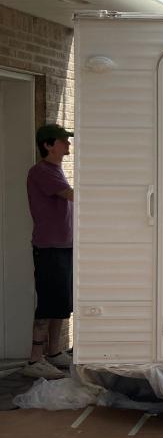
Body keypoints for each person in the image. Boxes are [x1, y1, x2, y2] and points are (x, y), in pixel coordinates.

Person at [22, 124, 75, 379]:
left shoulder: (56, 170)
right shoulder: (41, 172)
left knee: (61, 303)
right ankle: (35, 360)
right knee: (47, 304)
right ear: (48, 145)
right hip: (49, 248)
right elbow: (73, 196)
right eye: (64, 141)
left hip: (63, 246)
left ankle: (54, 353)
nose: (68, 146)